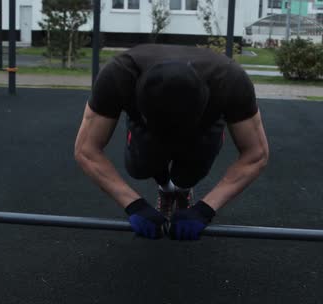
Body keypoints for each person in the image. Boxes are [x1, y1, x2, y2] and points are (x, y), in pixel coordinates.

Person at [74, 44, 269, 241]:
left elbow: (256, 155)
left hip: (204, 128)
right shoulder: (118, 75)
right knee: (140, 167)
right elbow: (86, 150)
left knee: (188, 175)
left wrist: (205, 209)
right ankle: (166, 189)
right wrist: (133, 204)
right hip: (147, 129)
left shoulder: (230, 80)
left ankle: (183, 189)